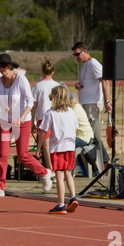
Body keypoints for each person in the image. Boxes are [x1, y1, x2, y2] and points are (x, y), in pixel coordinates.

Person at [0, 54, 52, 197]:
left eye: (3, 66)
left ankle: (45, 173)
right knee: (2, 153)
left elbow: (30, 102)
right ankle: (0, 186)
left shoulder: (21, 80)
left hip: (22, 120)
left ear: (10, 66)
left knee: (22, 154)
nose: (1, 69)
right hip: (5, 121)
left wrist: (23, 117)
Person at [37, 84, 79, 215]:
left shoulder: (50, 113)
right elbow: (76, 128)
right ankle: (73, 197)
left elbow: (43, 132)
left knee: (59, 175)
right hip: (70, 147)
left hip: (58, 147)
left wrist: (39, 148)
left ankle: (61, 204)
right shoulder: (71, 112)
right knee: (68, 172)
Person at [31, 59, 60, 171]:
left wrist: (32, 122)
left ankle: (50, 168)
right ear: (53, 72)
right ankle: (56, 167)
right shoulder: (58, 86)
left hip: (42, 118)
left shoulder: (38, 86)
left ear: (42, 72)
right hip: (56, 118)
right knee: (56, 143)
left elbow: (34, 106)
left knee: (45, 145)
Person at [72, 42, 112, 121]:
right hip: (85, 102)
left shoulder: (93, 63)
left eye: (77, 54)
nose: (76, 57)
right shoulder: (84, 64)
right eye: (74, 55)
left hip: (92, 103)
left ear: (85, 51)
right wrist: (78, 85)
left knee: (93, 131)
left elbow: (105, 81)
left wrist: (107, 101)